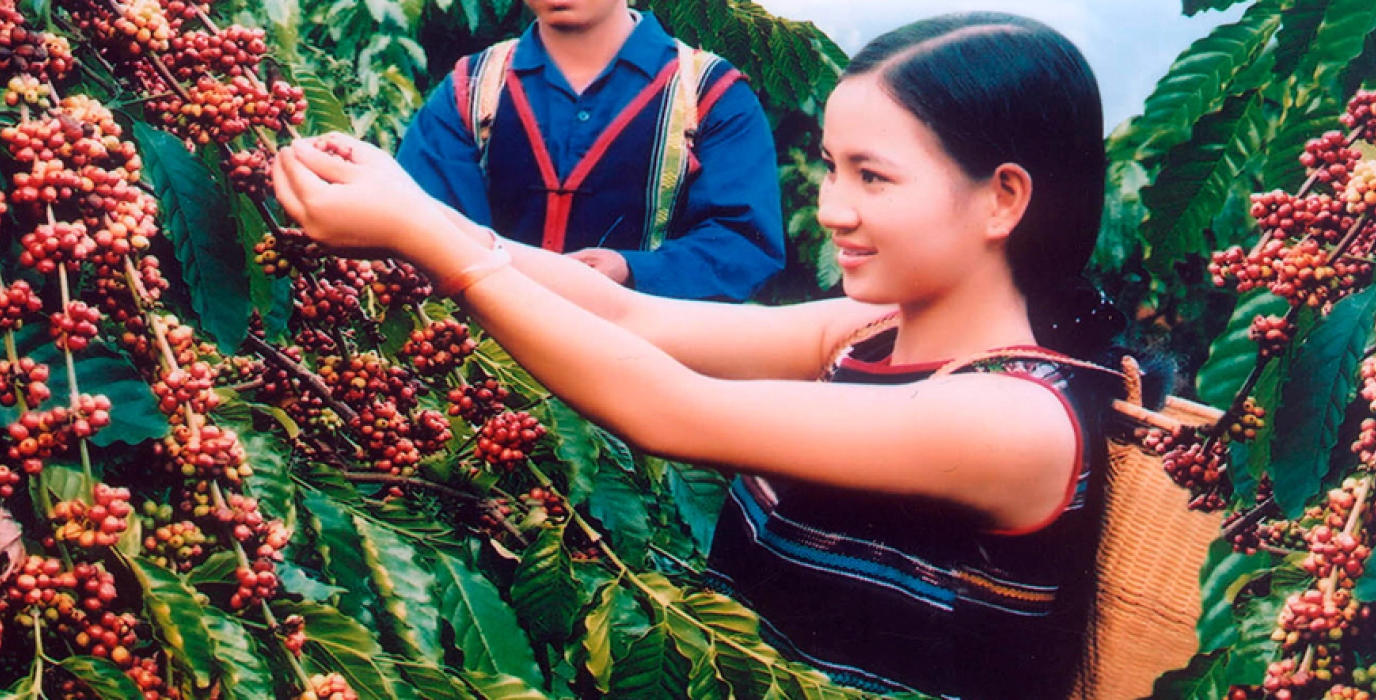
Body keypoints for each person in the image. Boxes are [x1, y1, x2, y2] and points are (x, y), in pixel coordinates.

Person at [273, 12, 1130, 699]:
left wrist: (426, 239)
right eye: (830, 169)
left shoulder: (1011, 417)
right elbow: (629, 315)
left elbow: (670, 409)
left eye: (873, 177)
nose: (831, 209)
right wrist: (413, 214)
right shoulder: (866, 333)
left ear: (1002, 199)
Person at [395, 0, 786, 301]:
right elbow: (419, 222)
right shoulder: (472, 88)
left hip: (649, 369)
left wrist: (632, 269)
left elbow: (744, 242)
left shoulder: (708, 94)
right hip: (487, 371)